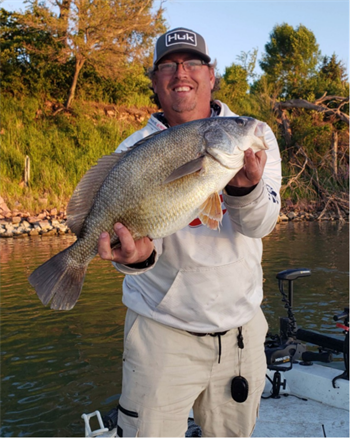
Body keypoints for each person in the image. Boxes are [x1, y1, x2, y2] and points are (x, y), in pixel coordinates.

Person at [98, 27, 282, 437]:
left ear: (211, 75)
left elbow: (261, 224)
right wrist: (136, 257)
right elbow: (142, 245)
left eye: (193, 62)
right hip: (161, 336)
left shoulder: (253, 134)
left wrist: (245, 190)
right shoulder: (133, 151)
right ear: (155, 82)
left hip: (241, 335)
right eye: (168, 65)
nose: (181, 72)